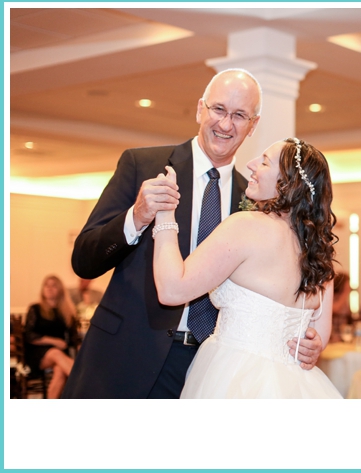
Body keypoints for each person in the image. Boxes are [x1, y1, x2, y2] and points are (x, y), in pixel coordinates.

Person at [63, 69, 323, 399]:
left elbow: (275, 289)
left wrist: (303, 336)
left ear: (252, 125)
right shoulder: (143, 165)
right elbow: (84, 260)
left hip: (207, 370)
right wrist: (137, 216)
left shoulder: (257, 204)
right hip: (124, 356)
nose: (226, 124)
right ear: (201, 108)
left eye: (239, 115)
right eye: (218, 110)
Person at [151, 137, 340, 398]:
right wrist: (314, 346)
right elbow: (318, 337)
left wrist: (164, 214)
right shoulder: (320, 253)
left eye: (263, 162)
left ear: (286, 183)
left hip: (234, 376)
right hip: (295, 386)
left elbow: (171, 290)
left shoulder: (245, 226)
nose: (250, 164)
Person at [23, 275, 77, 399]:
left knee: (60, 371)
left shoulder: (66, 312)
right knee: (55, 353)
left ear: (60, 290)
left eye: (54, 285)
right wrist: (54, 341)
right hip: (37, 353)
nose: (49, 288)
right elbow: (29, 335)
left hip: (61, 354)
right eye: (47, 285)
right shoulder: (35, 309)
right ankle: (85, 385)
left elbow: (73, 338)